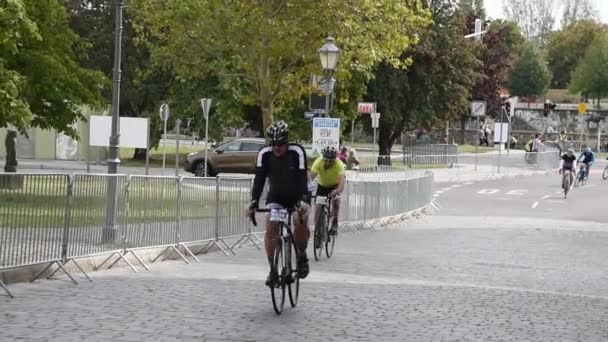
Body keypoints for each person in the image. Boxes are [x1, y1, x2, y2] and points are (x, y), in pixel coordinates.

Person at [247, 120, 311, 287]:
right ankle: (272, 269)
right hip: (276, 197)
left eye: (281, 144)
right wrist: (253, 202)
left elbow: (303, 177)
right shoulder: (264, 154)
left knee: (299, 220)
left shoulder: (297, 152)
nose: (277, 148)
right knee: (271, 224)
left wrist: (303, 200)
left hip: (298, 195)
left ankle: (302, 255)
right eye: (273, 144)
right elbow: (259, 180)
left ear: (287, 141)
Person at [309, 146, 346, 237]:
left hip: (334, 186)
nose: (328, 162)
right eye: (326, 160)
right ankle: (318, 230)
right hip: (322, 186)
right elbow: (310, 178)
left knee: (336, 200)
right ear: (323, 158)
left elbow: (341, 183)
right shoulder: (318, 162)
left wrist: (337, 191)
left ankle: (334, 221)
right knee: (318, 207)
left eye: (331, 161)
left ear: (335, 159)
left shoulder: (339, 164)